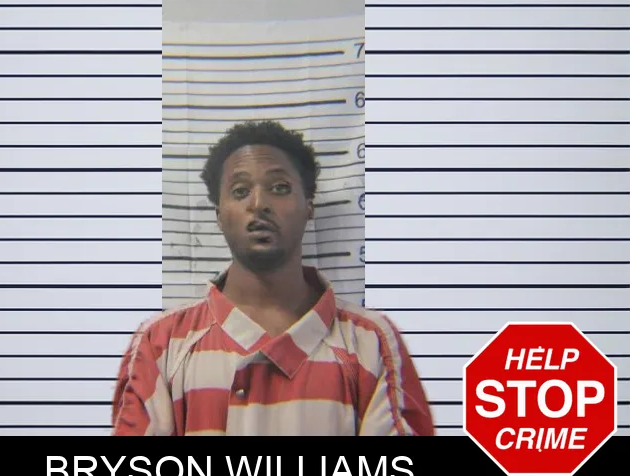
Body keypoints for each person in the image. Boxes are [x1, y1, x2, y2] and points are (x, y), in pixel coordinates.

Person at [111, 120, 434, 436]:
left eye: (279, 188)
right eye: (240, 191)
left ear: (308, 206)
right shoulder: (161, 344)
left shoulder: (372, 343)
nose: (259, 204)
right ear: (219, 215)